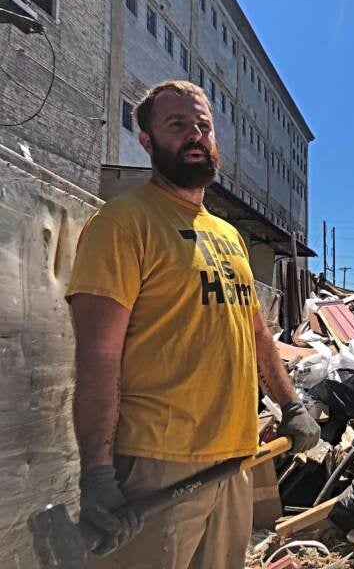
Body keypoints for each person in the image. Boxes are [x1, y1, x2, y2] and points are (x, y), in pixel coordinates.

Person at [66, 80, 320, 568]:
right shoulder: (123, 223)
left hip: (234, 458)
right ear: (147, 141)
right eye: (177, 125)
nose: (195, 135)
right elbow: (98, 355)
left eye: (203, 125)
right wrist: (97, 472)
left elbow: (257, 335)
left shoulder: (227, 235)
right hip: (157, 467)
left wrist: (291, 405)